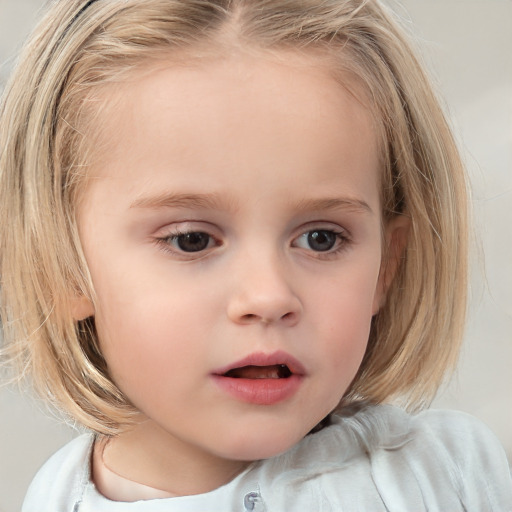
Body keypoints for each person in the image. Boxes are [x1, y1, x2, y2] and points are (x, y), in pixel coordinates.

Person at [0, 0, 510, 510]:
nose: (268, 296)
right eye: (191, 239)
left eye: (321, 238)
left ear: (387, 265)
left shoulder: (448, 479)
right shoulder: (55, 500)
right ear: (62, 265)